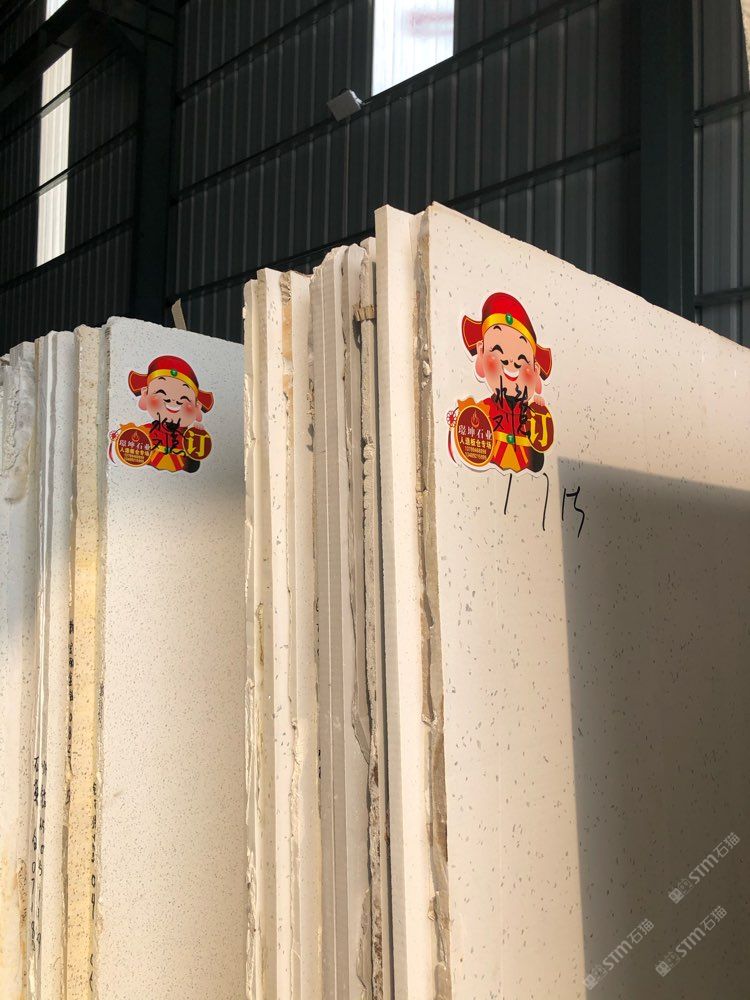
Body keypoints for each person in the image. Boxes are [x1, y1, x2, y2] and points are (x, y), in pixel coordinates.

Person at [454, 292, 554, 473]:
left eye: (521, 360)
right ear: (481, 352)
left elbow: (538, 461)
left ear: (536, 371)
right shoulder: (482, 411)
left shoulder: (531, 417)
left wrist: (539, 418)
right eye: (499, 353)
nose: (511, 364)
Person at [124, 355, 214, 473]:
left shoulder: (190, 438)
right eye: (162, 393)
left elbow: (193, 467)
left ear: (197, 408)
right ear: (145, 395)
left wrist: (198, 437)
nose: (173, 402)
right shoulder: (144, 432)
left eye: (184, 399)